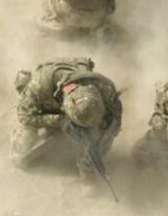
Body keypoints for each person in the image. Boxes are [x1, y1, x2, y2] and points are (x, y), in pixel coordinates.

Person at [11, 57, 122, 196]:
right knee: (22, 150)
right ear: (65, 106)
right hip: (50, 107)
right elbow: (24, 116)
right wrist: (57, 120)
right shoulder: (38, 86)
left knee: (103, 135)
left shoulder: (100, 86)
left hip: (72, 107)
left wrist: (108, 133)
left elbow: (116, 111)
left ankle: (87, 169)